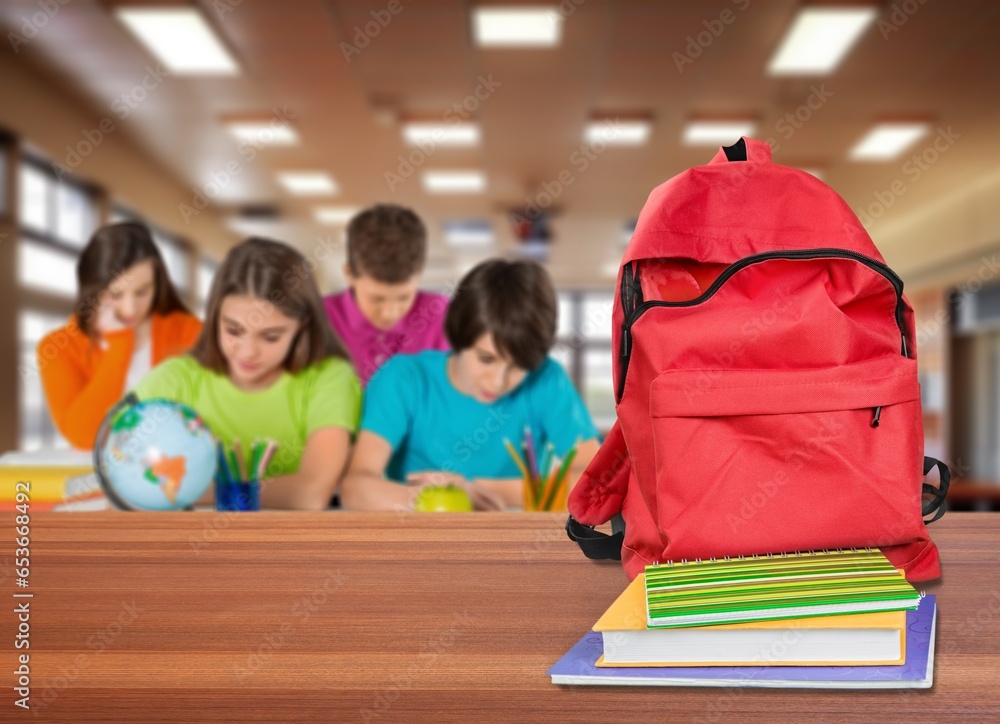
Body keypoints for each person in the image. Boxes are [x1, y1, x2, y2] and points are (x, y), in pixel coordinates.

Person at [340, 259, 601, 512]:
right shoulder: (404, 378)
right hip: (420, 537)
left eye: (519, 365)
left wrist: (475, 490)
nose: (498, 381)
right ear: (459, 336)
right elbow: (356, 487)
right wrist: (439, 499)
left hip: (511, 540)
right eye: (486, 359)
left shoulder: (547, 378)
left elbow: (596, 482)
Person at [135, 238, 361, 510]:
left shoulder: (330, 379)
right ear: (215, 315)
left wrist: (177, 488)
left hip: (291, 545)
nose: (248, 351)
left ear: (302, 327)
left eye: (270, 336)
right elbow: (120, 471)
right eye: (233, 330)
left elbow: (309, 495)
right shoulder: (175, 379)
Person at [38, 222, 202, 450]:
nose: (130, 309)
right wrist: (120, 344)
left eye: (142, 292)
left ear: (158, 285)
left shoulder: (190, 333)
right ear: (91, 291)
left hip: (177, 475)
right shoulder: (59, 347)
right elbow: (84, 436)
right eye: (116, 294)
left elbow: (210, 420)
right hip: (98, 479)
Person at [323, 204, 449, 386]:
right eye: (376, 299)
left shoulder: (442, 315)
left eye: (404, 297)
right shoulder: (318, 319)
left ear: (419, 275)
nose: (389, 313)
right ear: (349, 274)